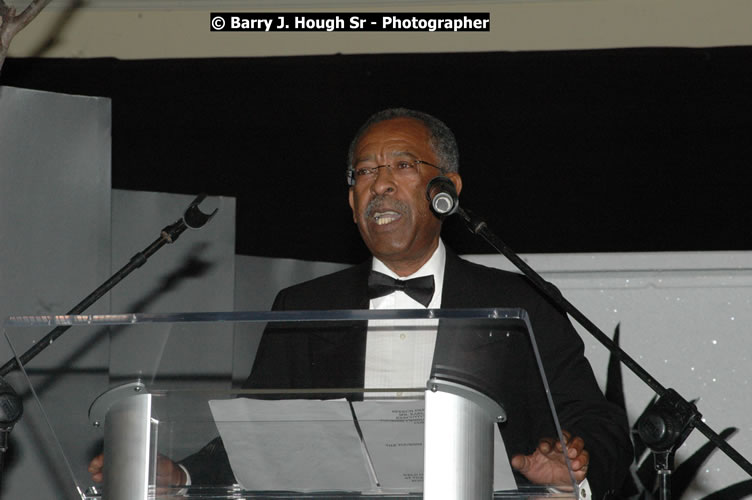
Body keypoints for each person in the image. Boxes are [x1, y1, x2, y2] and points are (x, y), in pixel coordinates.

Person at [91, 108, 632, 499]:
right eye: (365, 173)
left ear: (447, 188)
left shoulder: (519, 304)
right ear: (351, 201)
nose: (380, 186)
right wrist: (181, 476)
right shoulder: (302, 308)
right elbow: (259, 435)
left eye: (401, 166)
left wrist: (573, 464)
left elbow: (598, 424)